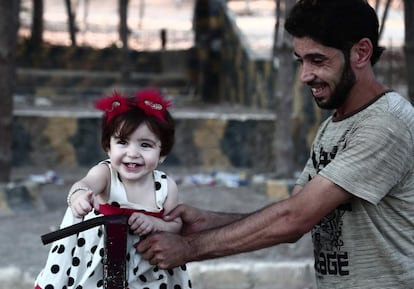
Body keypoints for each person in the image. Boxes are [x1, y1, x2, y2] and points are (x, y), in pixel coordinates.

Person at [136, 0, 414, 288]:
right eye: (301, 61)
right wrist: (207, 222)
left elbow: (295, 219)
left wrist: (190, 248)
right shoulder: (333, 126)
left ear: (361, 52)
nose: (305, 75)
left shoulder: (386, 123)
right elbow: (296, 211)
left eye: (318, 61)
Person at [34, 89, 192, 289]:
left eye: (145, 145)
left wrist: (154, 223)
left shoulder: (166, 186)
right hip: (98, 269)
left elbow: (175, 225)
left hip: (147, 271)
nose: (132, 153)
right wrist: (79, 196)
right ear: (108, 147)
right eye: (122, 142)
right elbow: (85, 183)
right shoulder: (106, 174)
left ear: (162, 153)